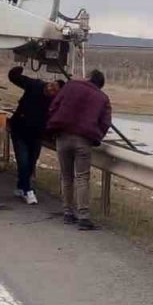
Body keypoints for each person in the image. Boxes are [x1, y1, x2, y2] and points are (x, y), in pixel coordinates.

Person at [46, 69, 112, 230]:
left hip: (62, 136)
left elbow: (54, 106)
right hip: (84, 140)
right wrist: (96, 137)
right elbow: (105, 122)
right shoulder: (102, 98)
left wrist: (54, 128)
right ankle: (83, 217)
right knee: (82, 177)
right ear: (100, 85)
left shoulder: (70, 86)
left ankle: (68, 212)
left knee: (66, 176)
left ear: (88, 77)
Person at [7, 65, 61, 205]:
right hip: (19, 129)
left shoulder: (56, 103)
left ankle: (20, 187)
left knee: (31, 162)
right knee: (23, 161)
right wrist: (16, 71)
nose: (50, 88)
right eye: (51, 85)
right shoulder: (34, 85)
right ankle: (28, 191)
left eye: (54, 89)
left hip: (37, 134)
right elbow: (15, 78)